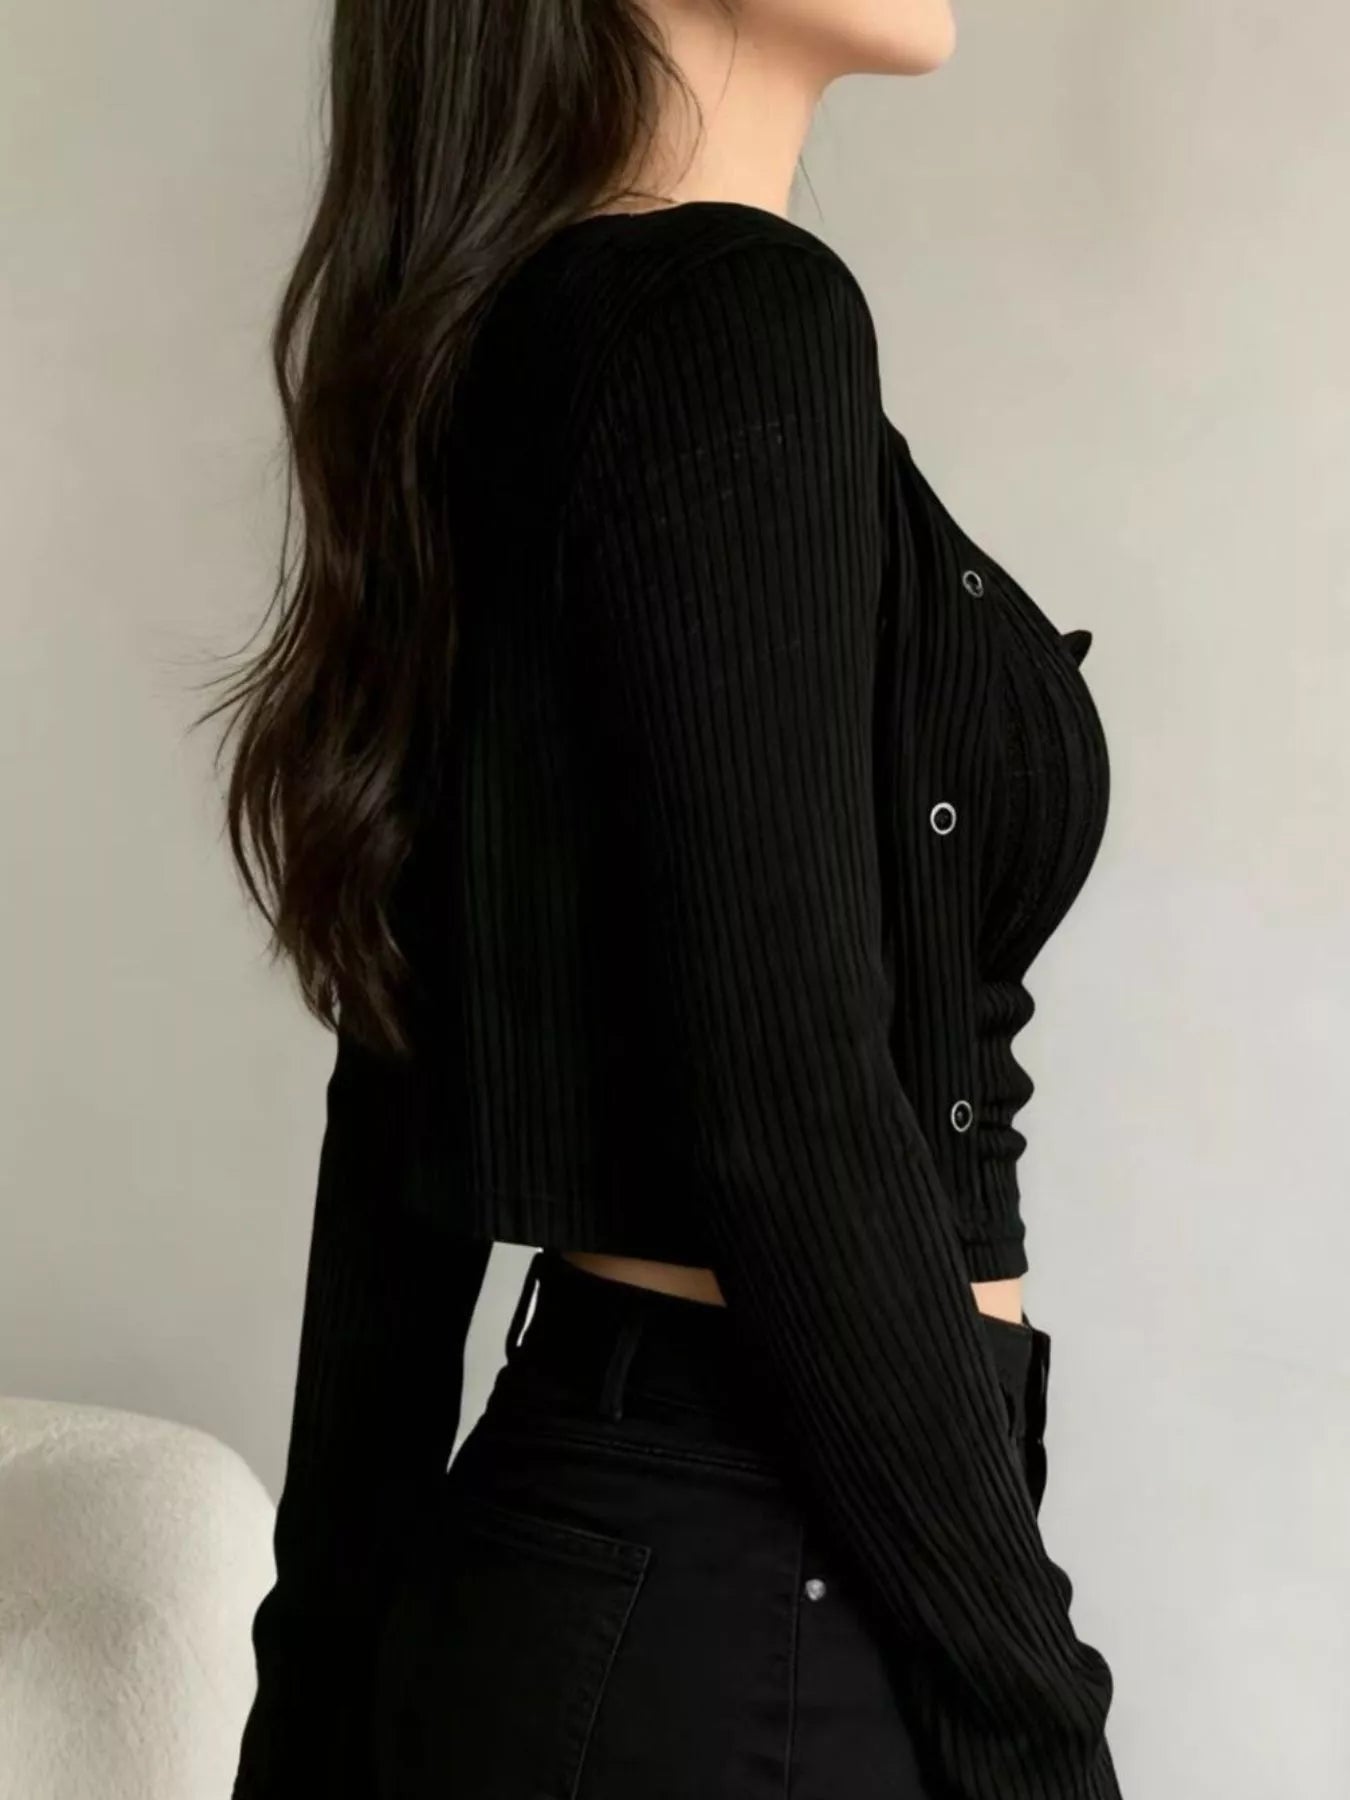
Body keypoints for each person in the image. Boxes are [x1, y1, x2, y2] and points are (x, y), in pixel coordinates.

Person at [209, 1, 1123, 1795]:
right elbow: (788, 1114)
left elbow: (391, 1104)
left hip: (634, 1597)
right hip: (753, 1603)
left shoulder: (514, 337)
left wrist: (312, 1701)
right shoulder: (727, 318)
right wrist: (1036, 1736)